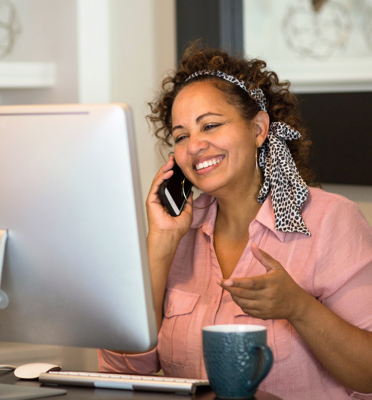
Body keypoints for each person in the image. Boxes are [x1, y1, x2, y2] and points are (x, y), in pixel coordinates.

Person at [98, 43, 372, 399]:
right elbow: (120, 374)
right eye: (181, 136)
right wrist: (161, 244)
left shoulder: (329, 219)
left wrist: (298, 308)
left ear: (258, 129)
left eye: (209, 125)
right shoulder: (179, 234)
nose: (194, 146)